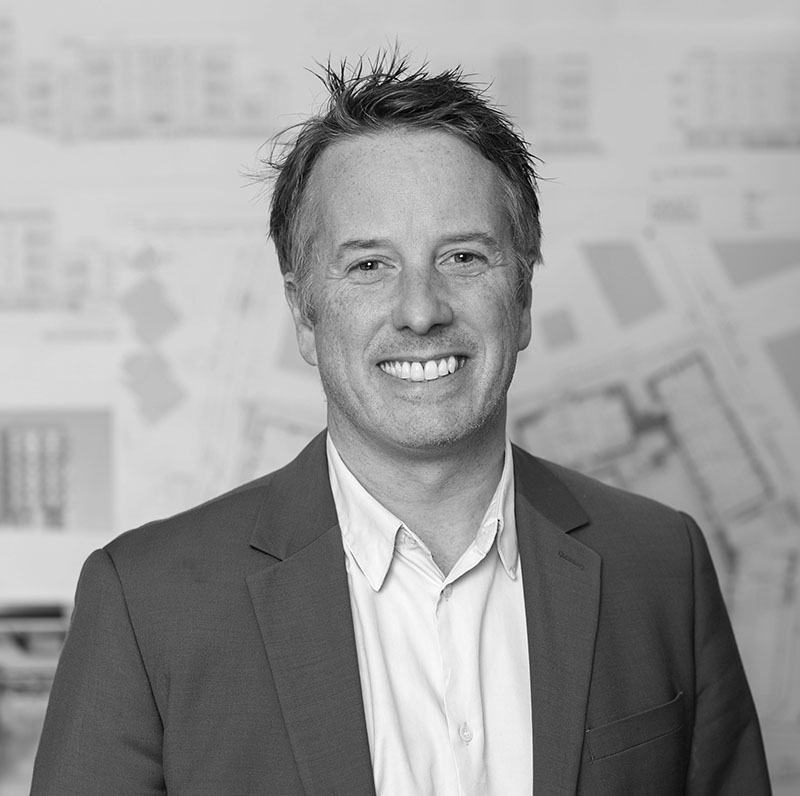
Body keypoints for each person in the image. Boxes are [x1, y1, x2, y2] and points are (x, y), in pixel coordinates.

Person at [30, 51, 771, 796]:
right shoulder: (147, 602)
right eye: (369, 266)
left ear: (523, 299)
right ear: (305, 316)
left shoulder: (662, 565)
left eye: (463, 257)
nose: (421, 311)